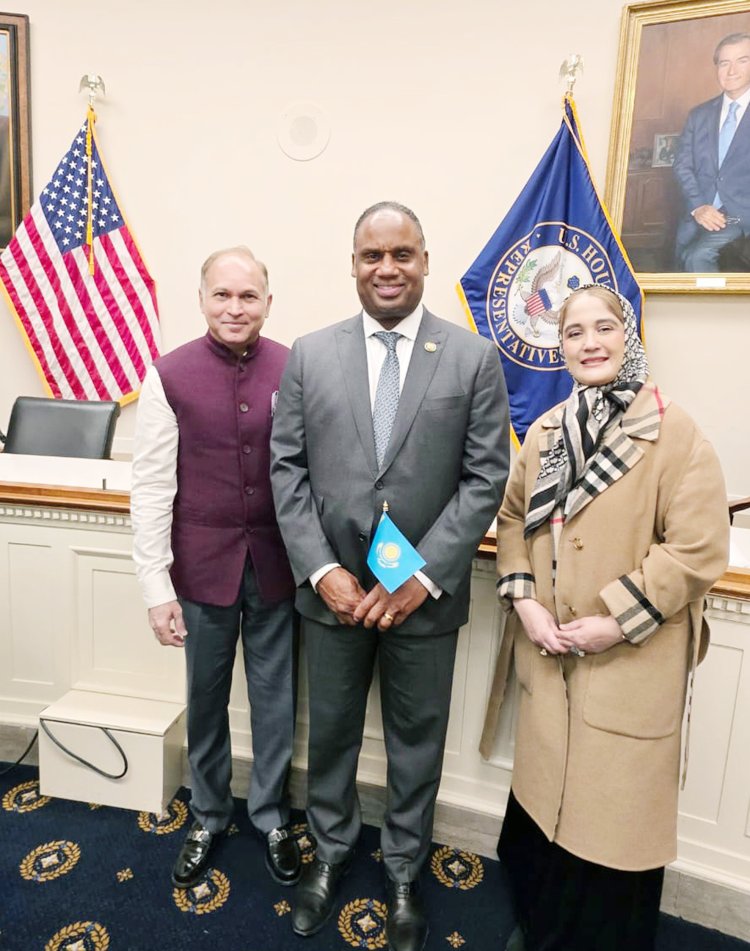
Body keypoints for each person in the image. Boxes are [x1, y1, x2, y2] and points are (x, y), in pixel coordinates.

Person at [270, 202, 509, 951]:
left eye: (402, 253)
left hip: (423, 604)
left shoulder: (471, 358)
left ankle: (406, 867)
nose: (387, 267)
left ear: (426, 260)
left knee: (416, 740)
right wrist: (321, 570)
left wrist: (423, 577)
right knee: (333, 735)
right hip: (333, 595)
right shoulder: (310, 354)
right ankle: (332, 853)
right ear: (352, 263)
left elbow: (484, 477)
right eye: (372, 254)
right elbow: (287, 471)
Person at [480, 284, 729, 951]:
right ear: (558, 347)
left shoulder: (674, 432)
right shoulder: (547, 430)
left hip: (627, 665)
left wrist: (617, 620)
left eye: (604, 329)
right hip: (550, 658)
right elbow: (510, 519)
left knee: (610, 834)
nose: (590, 343)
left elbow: (700, 549)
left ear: (629, 336)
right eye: (574, 333)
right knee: (546, 822)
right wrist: (525, 597)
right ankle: (539, 930)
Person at [130, 246, 301, 890]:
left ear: (267, 301)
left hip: (279, 568)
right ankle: (207, 812)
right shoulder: (168, 375)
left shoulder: (295, 366)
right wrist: (156, 587)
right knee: (205, 699)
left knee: (275, 698)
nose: (235, 308)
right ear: (201, 298)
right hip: (199, 572)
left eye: (248, 296)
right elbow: (149, 488)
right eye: (222, 295)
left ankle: (270, 813)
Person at [673, 32, 750, 271]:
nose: (732, 70)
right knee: (677, 260)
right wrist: (698, 206)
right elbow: (682, 165)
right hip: (698, 216)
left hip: (743, 217)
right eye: (724, 63)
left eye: (742, 60)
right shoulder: (699, 115)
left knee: (698, 258)